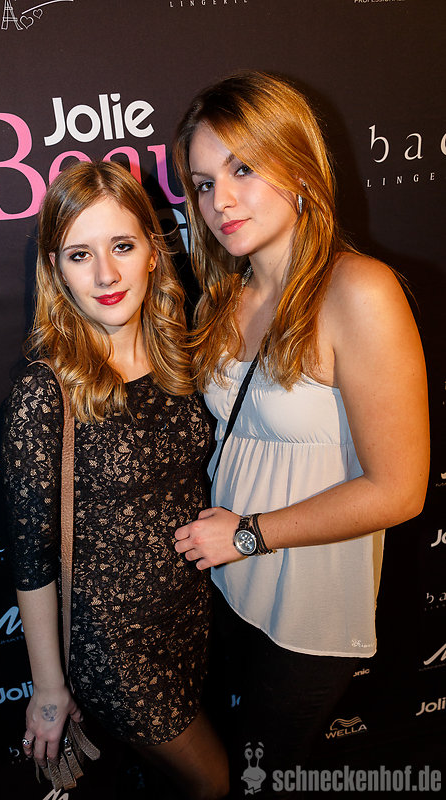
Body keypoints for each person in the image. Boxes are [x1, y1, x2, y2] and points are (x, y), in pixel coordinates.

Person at [172, 72, 429, 794]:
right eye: (203, 183)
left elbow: (399, 491)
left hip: (306, 607)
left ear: (300, 168)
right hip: (227, 587)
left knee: (264, 775)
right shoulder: (221, 299)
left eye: (243, 169)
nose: (220, 201)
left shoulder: (359, 291)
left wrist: (249, 534)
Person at [2, 160, 229, 800]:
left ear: (154, 252)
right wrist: (49, 688)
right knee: (214, 782)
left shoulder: (183, 353)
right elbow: (31, 557)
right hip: (114, 648)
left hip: (192, 617)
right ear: (56, 268)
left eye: (122, 246)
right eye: (80, 255)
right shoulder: (45, 391)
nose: (105, 275)